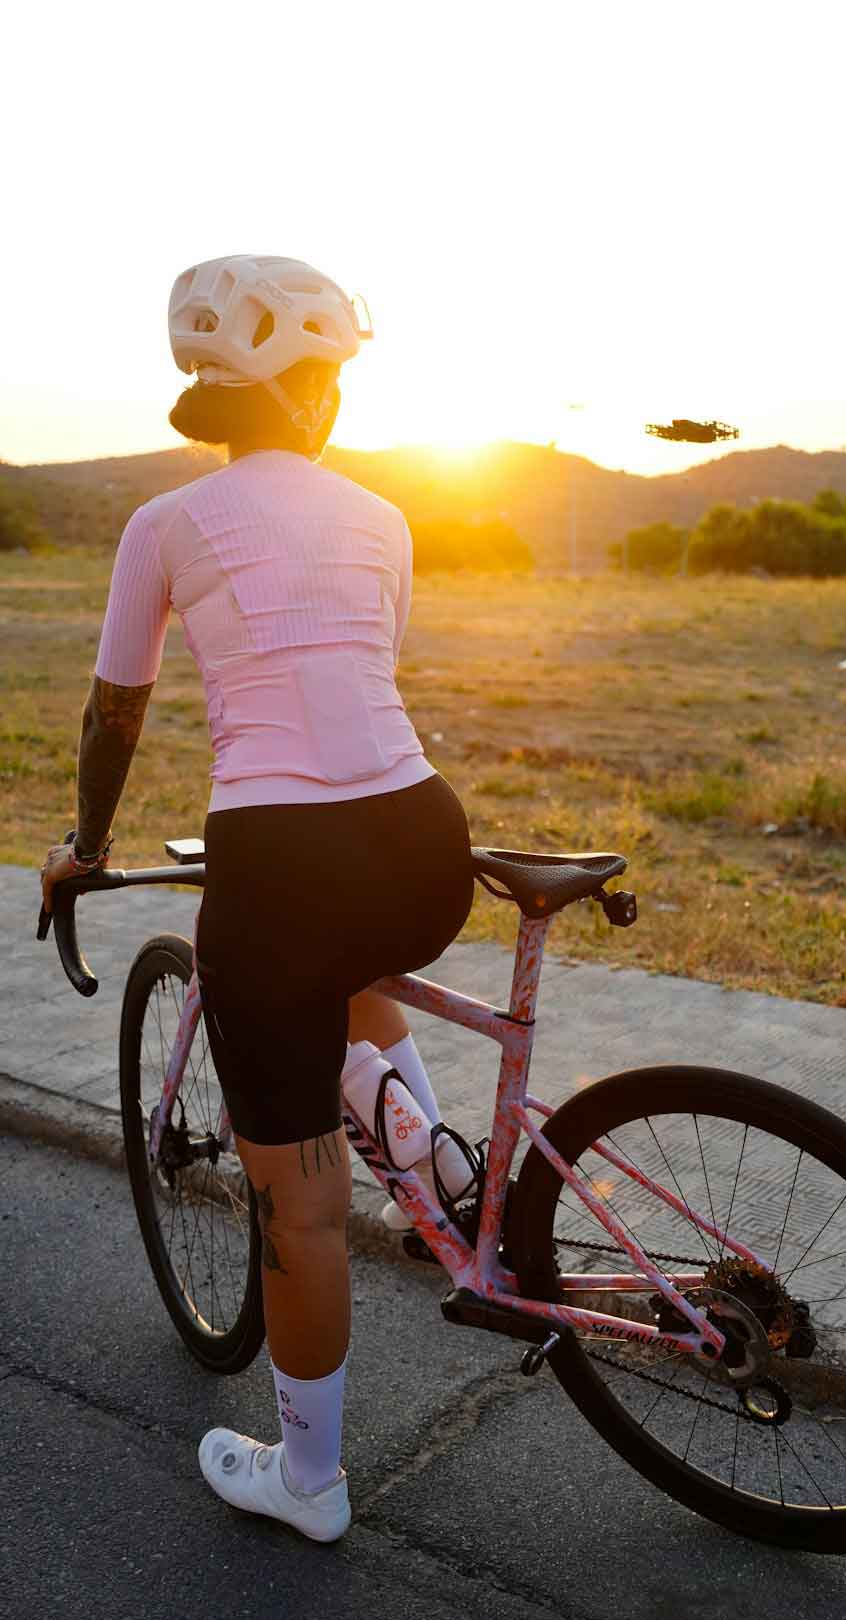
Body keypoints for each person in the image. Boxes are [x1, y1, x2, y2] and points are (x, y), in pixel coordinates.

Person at [39, 254, 477, 1544]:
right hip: (423, 841)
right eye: (331, 377)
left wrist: (84, 845)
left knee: (303, 1202)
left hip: (278, 868)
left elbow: (118, 711)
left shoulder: (167, 524)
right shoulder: (383, 514)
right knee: (355, 960)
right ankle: (434, 1162)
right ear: (307, 390)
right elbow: (356, 676)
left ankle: (310, 1483)